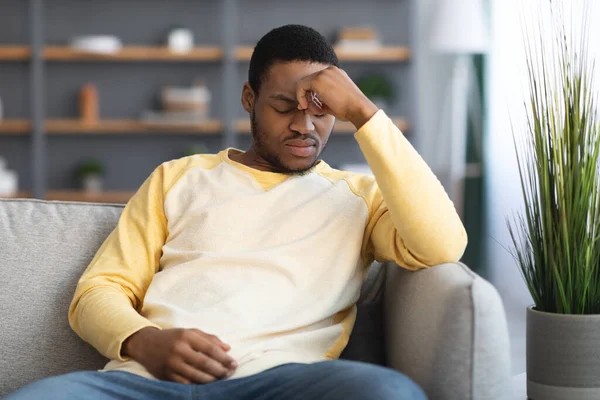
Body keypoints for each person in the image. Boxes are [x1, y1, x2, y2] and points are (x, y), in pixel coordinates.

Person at [6, 24, 466, 400]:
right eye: (284, 107)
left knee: (388, 393)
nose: (304, 126)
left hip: (280, 385)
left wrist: (366, 114)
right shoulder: (178, 177)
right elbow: (98, 291)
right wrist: (147, 341)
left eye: (323, 111)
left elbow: (443, 246)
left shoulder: (361, 197)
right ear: (250, 99)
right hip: (143, 381)